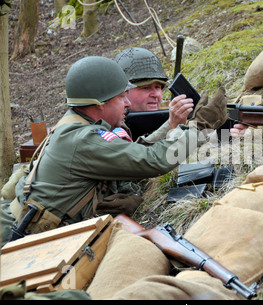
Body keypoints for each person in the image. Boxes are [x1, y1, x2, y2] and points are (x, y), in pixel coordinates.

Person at [1, 55, 229, 246]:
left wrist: (175, 126)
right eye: (121, 97)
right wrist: (200, 128)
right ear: (100, 102)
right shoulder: (81, 140)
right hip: (16, 237)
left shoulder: (77, 125)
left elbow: (131, 154)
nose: (128, 103)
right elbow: (154, 161)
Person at [114, 47, 248, 138]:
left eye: (158, 87)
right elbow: (144, 156)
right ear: (123, 92)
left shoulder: (169, 112)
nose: (156, 94)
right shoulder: (111, 127)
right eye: (145, 88)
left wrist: (226, 135)